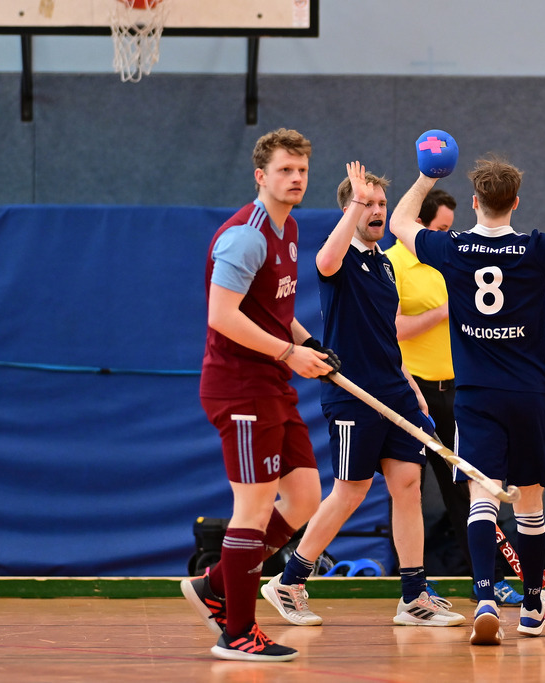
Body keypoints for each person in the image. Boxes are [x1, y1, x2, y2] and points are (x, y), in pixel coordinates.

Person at [389, 141, 545, 645]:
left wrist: (427, 176)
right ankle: (530, 606)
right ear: (516, 202)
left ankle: (482, 597)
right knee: (530, 505)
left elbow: (399, 223)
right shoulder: (537, 247)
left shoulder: (450, 248)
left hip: (475, 394)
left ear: (475, 202)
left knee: (482, 499)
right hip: (528, 395)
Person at [260, 162, 465, 628]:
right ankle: (289, 581)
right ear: (350, 208)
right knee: (350, 492)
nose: (376, 211)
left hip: (395, 391)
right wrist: (353, 201)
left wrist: (413, 393)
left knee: (408, 488)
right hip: (353, 398)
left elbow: (387, 340)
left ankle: (413, 596)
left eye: (380, 204)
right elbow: (326, 263)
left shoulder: (385, 264)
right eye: (366, 203)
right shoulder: (338, 258)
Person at [180, 128, 341, 662]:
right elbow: (222, 316)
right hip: (240, 387)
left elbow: (271, 308)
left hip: (273, 382)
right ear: (260, 176)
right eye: (285, 171)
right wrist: (288, 354)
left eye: (302, 170)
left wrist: (306, 342)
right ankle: (237, 631)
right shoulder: (245, 235)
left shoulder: (288, 227)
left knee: (303, 500)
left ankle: (215, 587)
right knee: (251, 508)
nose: (295, 179)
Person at [384, 189, 524, 606]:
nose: (446, 234)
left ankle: (486, 579)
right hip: (413, 392)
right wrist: (443, 312)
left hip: (455, 389)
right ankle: (415, 584)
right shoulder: (392, 263)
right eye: (440, 228)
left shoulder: (448, 259)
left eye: (449, 228)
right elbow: (389, 329)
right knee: (408, 489)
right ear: (420, 225)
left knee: (466, 490)